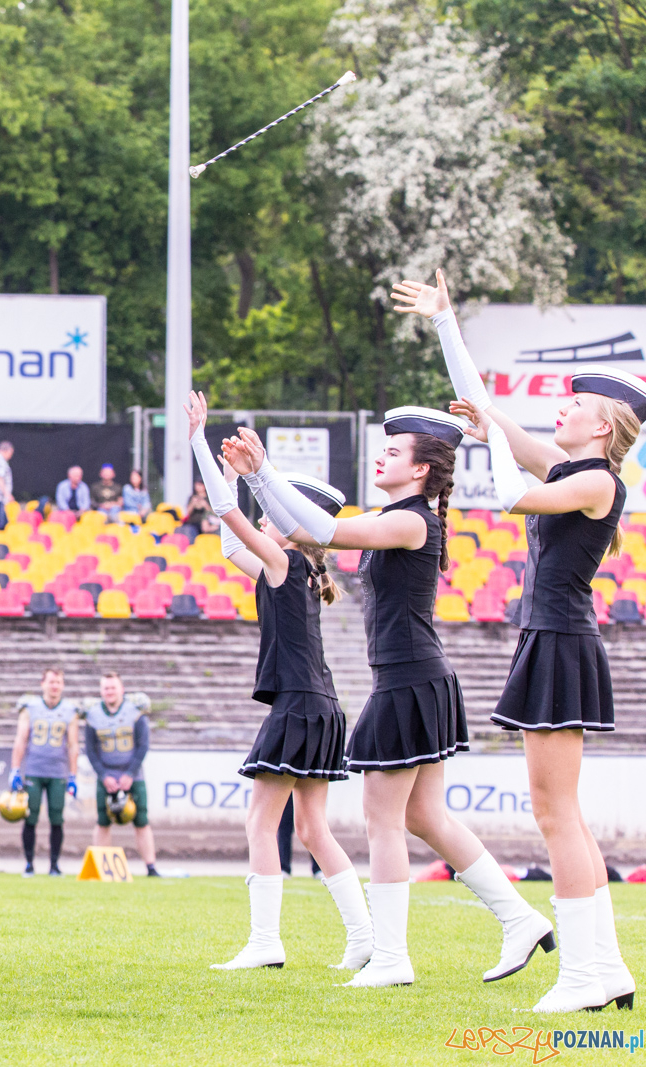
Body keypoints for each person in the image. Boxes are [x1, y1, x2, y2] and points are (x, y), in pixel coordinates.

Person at [234, 408, 550, 991]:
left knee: (383, 820)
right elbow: (300, 530)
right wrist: (257, 480)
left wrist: (263, 473)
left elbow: (324, 531)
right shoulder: (396, 517)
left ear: (423, 470)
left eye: (394, 452)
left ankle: (392, 957)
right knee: (424, 817)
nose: (381, 458)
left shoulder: (412, 522)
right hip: (413, 678)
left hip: (410, 680)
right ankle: (520, 918)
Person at [399, 269, 644, 1012]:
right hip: (554, 637)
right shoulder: (573, 466)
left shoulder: (597, 481)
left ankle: (582, 976)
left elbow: (507, 492)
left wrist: (494, 439)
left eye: (573, 405)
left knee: (555, 814)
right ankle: (605, 969)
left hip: (563, 640)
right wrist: (446, 324)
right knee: (558, 811)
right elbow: (487, 408)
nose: (560, 410)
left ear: (601, 424)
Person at [191, 392, 371, 972]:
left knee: (261, 821)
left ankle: (267, 943)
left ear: (293, 526)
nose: (267, 516)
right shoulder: (292, 566)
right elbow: (226, 543)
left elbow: (225, 516)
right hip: (320, 703)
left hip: (299, 704)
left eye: (275, 513)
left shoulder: (285, 562)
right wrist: (226, 464)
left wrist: (199, 441)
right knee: (315, 829)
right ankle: (364, 939)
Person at [79, 671, 158, 876]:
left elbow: (143, 745)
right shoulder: (93, 714)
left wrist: (130, 773)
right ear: (101, 691)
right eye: (106, 688)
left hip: (133, 775)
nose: (110, 692)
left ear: (122, 689)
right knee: (103, 821)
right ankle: (102, 868)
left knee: (141, 820)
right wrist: (104, 775)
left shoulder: (135, 710)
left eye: (113, 687)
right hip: (106, 777)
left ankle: (151, 867)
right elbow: (90, 750)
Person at [8, 667, 79, 877]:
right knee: (30, 818)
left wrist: (73, 775)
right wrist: (14, 769)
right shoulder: (30, 707)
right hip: (34, 771)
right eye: (51, 682)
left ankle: (54, 866)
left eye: (58, 682)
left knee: (57, 818)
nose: (54, 686)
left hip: (58, 772)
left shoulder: (70, 710)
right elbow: (21, 739)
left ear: (63, 685)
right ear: (43, 684)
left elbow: (73, 745)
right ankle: (29, 864)